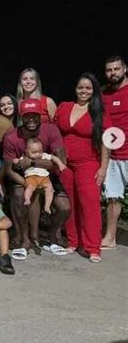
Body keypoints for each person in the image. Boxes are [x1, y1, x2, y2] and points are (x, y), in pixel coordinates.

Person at [3, 99, 71, 260]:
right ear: (21, 117)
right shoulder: (12, 137)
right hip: (23, 177)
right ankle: (25, 239)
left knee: (64, 208)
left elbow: (61, 161)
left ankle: (51, 234)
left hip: (49, 176)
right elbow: (9, 170)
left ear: (41, 115)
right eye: (27, 116)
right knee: (20, 196)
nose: (31, 119)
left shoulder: (51, 130)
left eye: (35, 115)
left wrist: (33, 162)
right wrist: (27, 183)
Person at [56, 72, 111, 262]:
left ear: (93, 90)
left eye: (88, 88)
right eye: (81, 87)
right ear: (75, 89)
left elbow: (106, 142)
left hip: (88, 163)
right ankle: (73, 241)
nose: (84, 91)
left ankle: (92, 247)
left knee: (89, 204)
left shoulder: (99, 112)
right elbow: (54, 133)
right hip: (65, 164)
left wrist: (103, 169)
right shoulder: (65, 107)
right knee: (70, 204)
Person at [101, 56, 128, 250]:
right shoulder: (103, 94)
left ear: (125, 69)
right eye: (109, 70)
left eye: (116, 69)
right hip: (113, 155)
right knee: (113, 197)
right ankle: (110, 237)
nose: (113, 73)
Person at [14, 137, 66, 214]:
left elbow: (54, 158)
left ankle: (47, 206)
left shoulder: (44, 156)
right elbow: (18, 163)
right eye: (34, 152)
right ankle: (27, 199)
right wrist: (16, 161)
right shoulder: (24, 157)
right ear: (27, 151)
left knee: (50, 189)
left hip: (44, 178)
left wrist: (60, 164)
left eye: (40, 151)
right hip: (31, 177)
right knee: (30, 187)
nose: (38, 154)